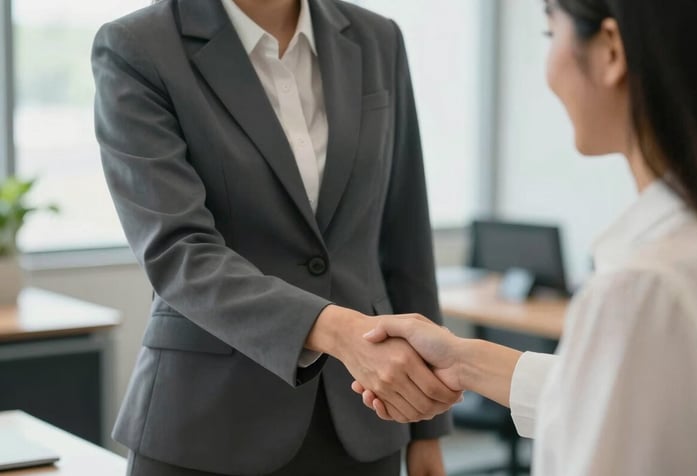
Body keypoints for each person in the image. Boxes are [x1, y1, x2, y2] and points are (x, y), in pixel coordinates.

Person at [352, 0, 697, 474]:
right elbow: (624, 398)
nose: (548, 72)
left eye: (552, 35)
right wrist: (465, 360)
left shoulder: (647, 290)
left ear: (610, 51)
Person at [91, 0, 461, 474]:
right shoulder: (139, 46)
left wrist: (428, 427)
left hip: (367, 417)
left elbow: (404, 233)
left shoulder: (377, 38)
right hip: (207, 424)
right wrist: (338, 330)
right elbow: (178, 252)